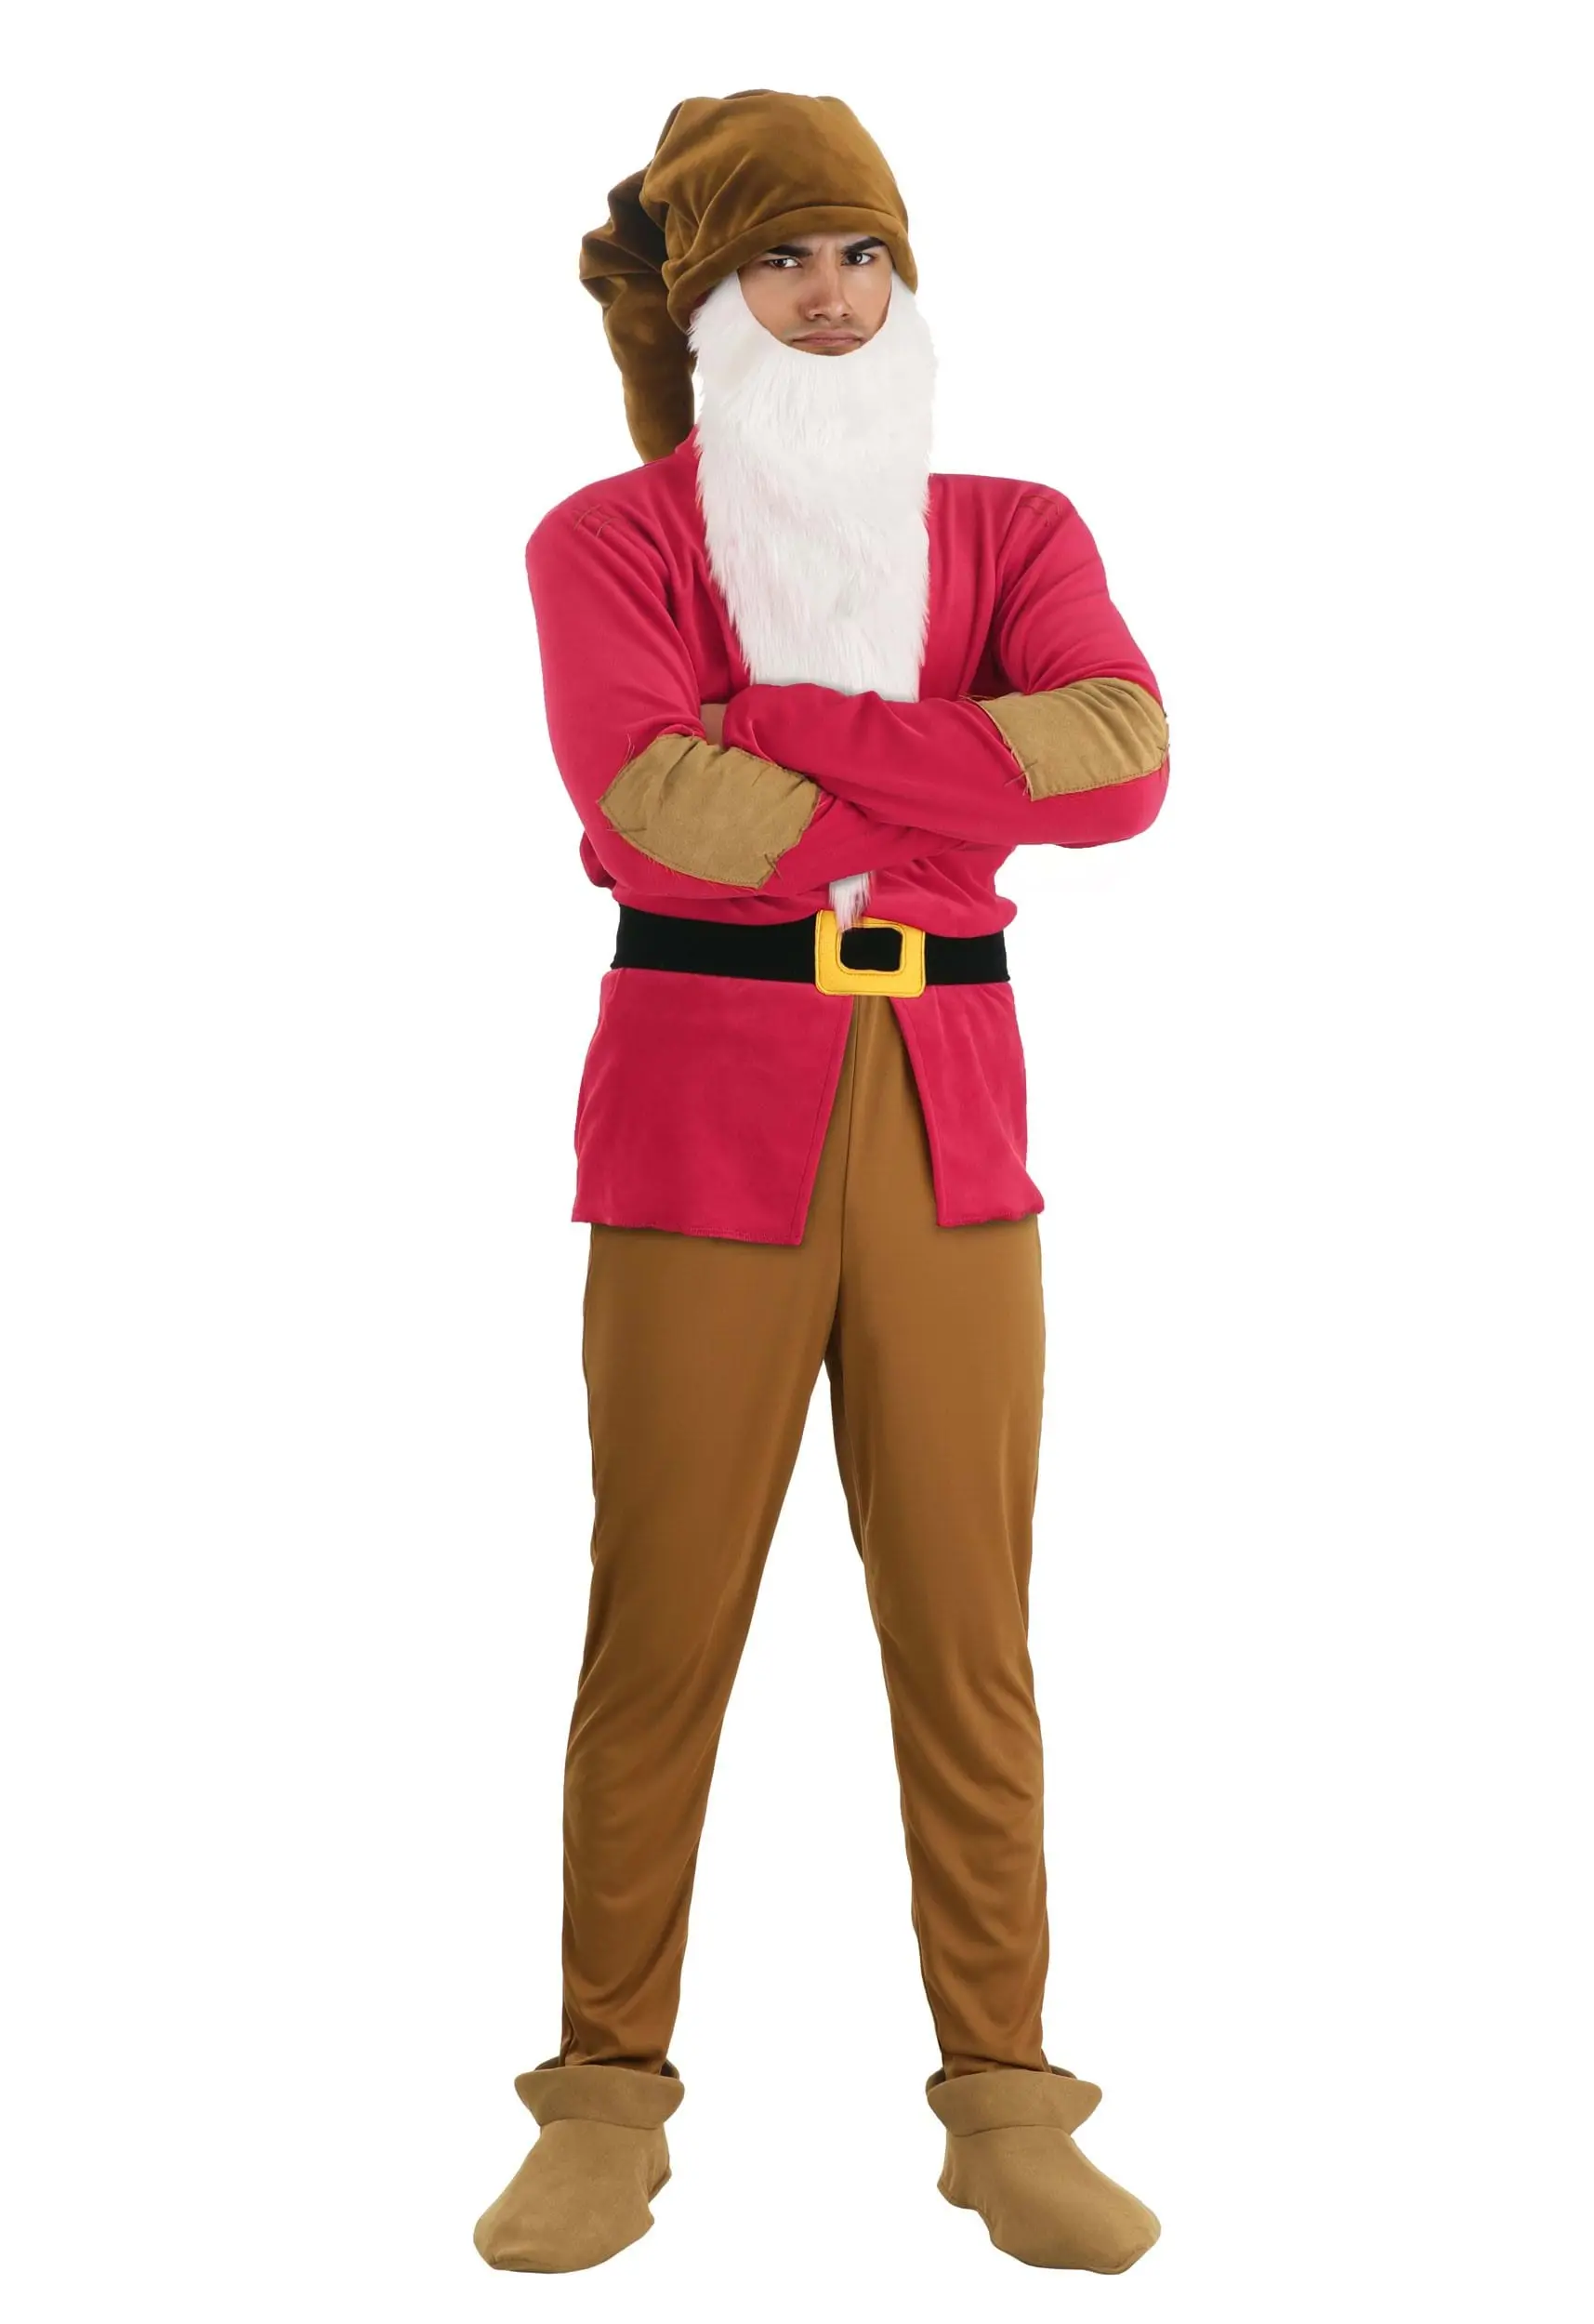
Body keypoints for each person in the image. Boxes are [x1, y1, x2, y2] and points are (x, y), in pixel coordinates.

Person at [472, 87, 1169, 2276]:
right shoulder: (604, 543)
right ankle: (603, 2095)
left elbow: (1121, 761)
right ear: (705, 304)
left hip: (954, 1120)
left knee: (969, 1630)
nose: (832, 295)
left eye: (860, 252)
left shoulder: (1014, 525)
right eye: (780, 259)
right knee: (658, 1624)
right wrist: (958, 788)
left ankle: (1003, 2095)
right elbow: (654, 806)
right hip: (698, 1121)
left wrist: (778, 728)